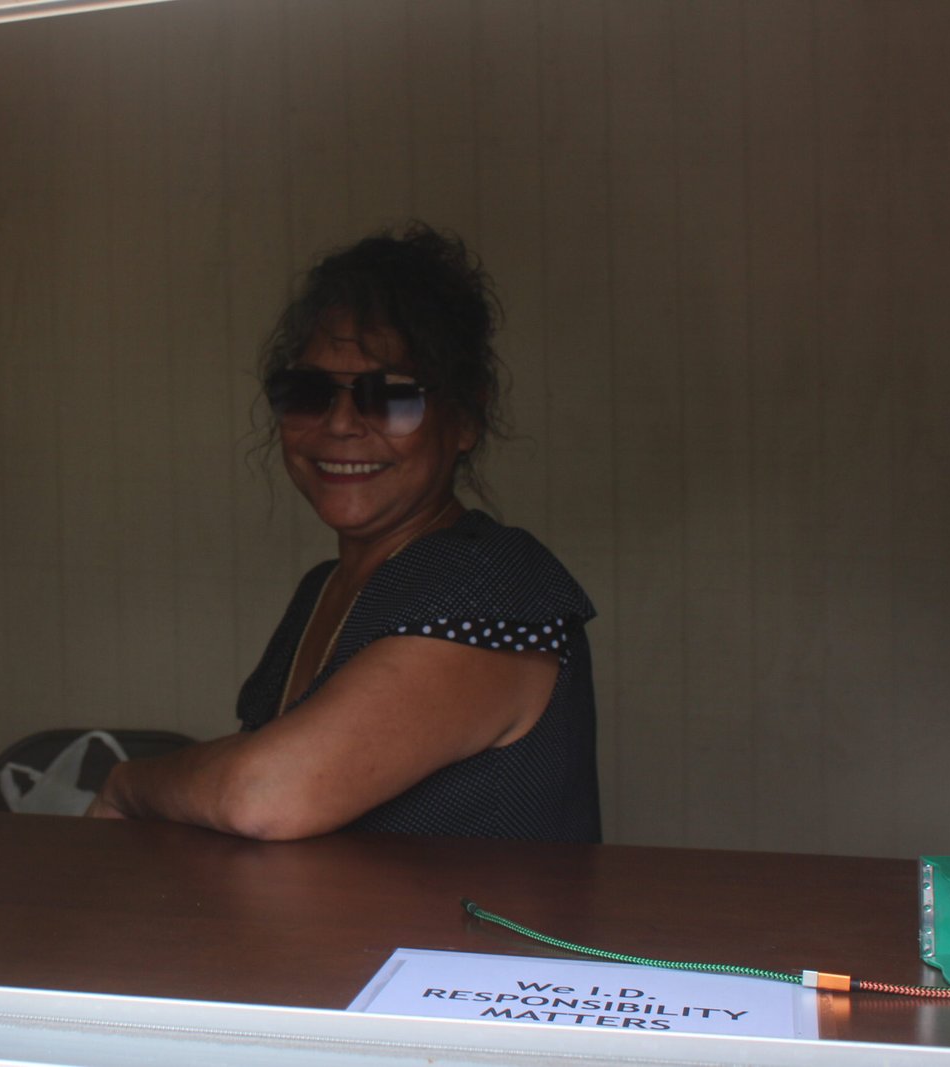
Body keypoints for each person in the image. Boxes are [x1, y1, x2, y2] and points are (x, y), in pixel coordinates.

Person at [85, 223, 600, 842]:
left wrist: (126, 784)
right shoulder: (326, 588)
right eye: (309, 393)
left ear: (465, 418)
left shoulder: (494, 587)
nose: (340, 425)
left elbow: (262, 795)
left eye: (389, 397)